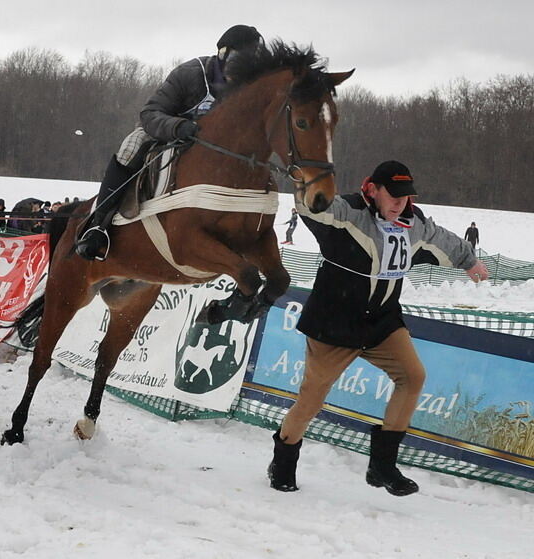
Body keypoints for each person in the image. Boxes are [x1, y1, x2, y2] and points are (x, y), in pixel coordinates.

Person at [268, 160, 490, 496]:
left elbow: (440, 238)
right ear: (373, 190)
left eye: (406, 195)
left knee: (413, 376)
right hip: (335, 324)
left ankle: (382, 465)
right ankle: (283, 460)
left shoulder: (412, 222)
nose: (401, 202)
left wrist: (468, 260)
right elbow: (315, 207)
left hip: (382, 323)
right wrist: (304, 183)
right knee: (311, 401)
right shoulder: (350, 211)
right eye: (394, 194)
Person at [74, 24, 268, 261]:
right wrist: (177, 126)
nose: (244, 69)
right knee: (130, 148)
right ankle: (98, 225)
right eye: (240, 59)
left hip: (210, 149)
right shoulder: (190, 73)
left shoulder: (248, 89)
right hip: (164, 132)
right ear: (223, 54)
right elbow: (150, 113)